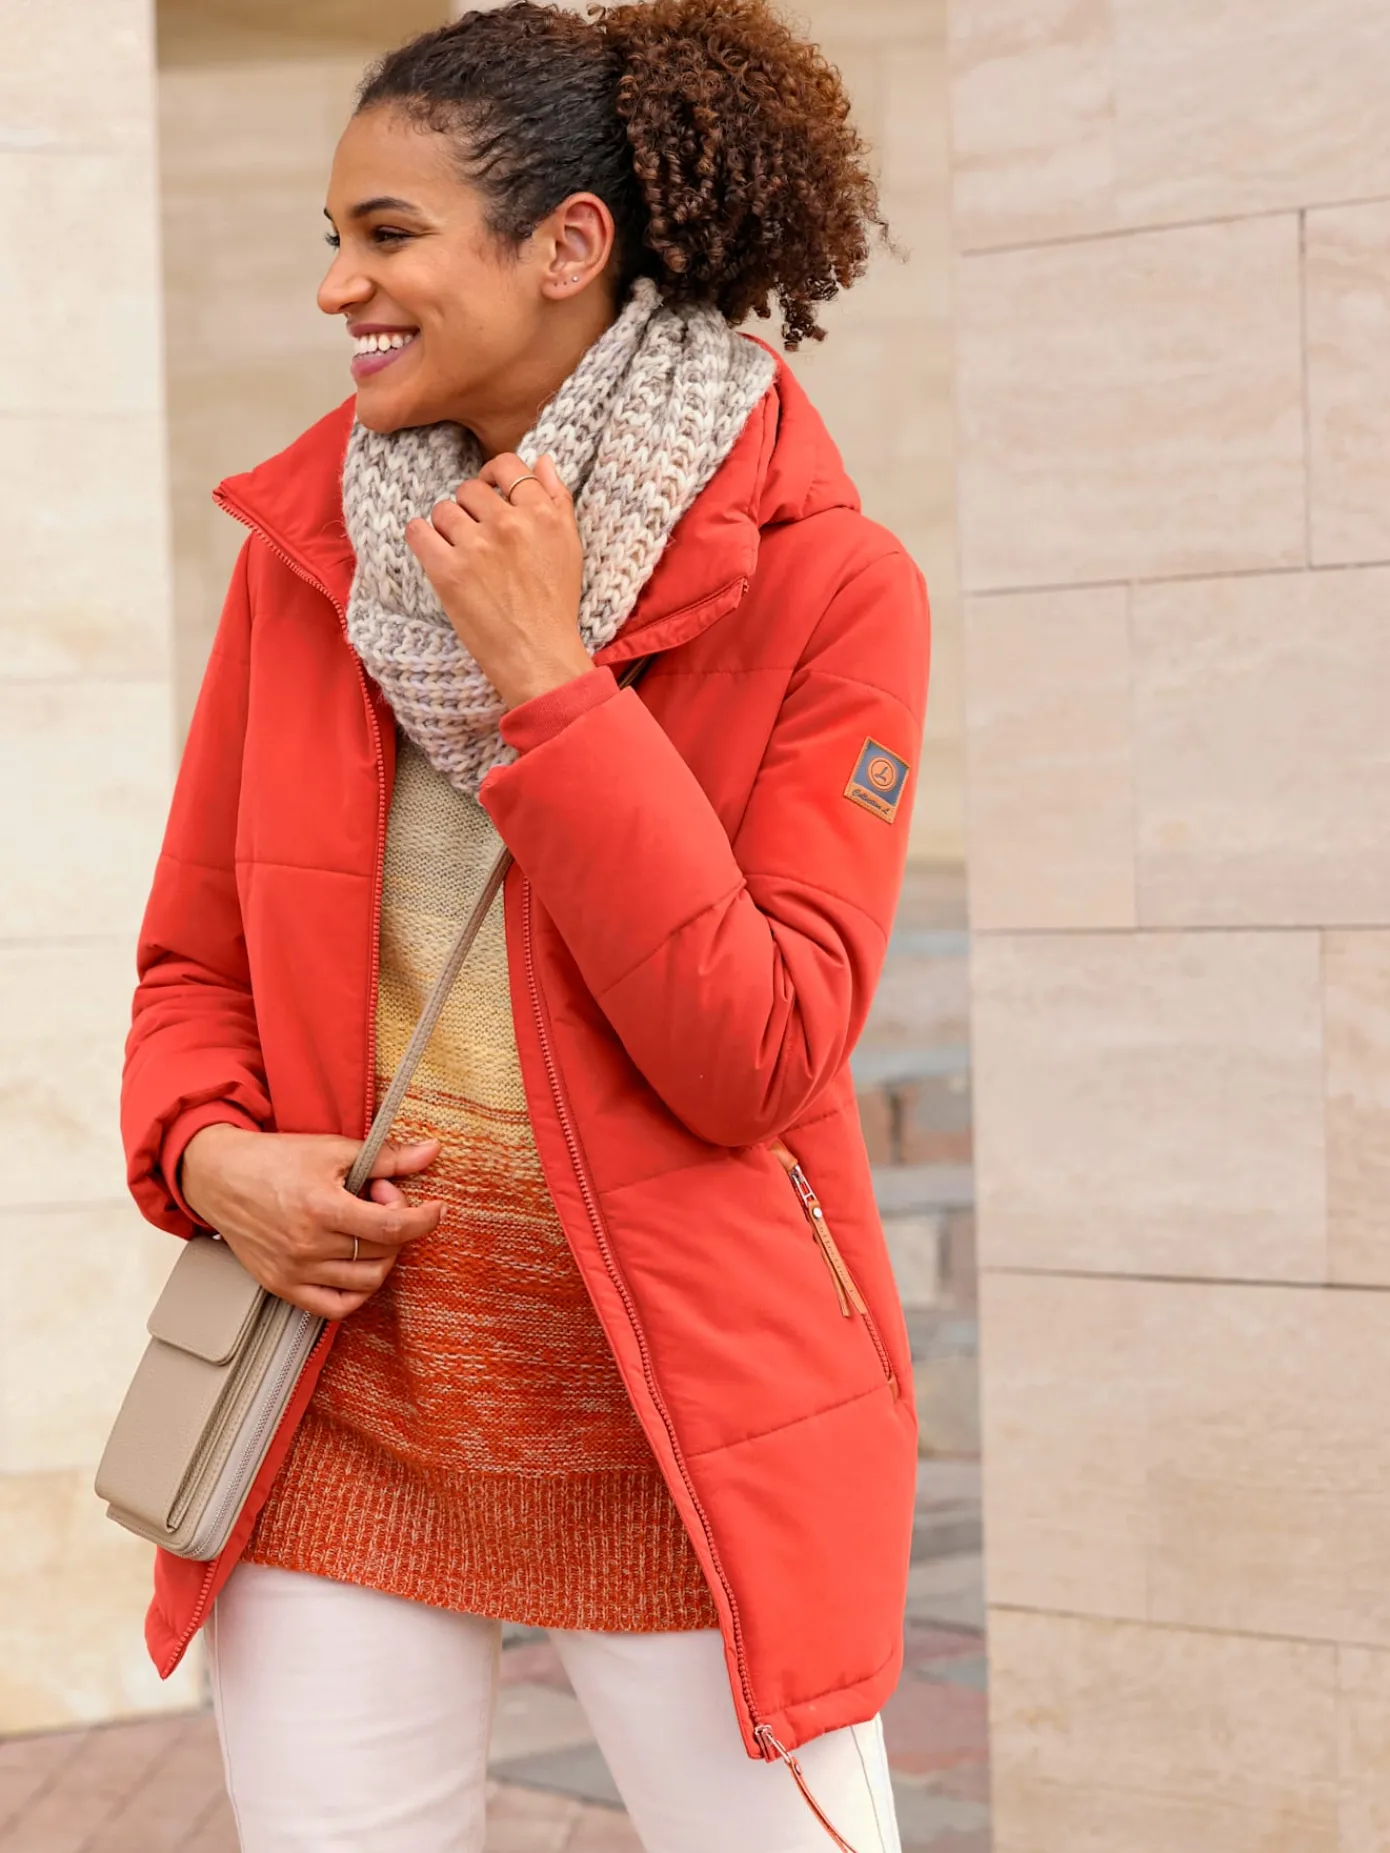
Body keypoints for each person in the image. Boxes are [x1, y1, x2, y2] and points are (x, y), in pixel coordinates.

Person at [122, 2, 929, 1847]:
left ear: (568, 245)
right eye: (333, 237)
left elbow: (758, 1053)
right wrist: (210, 1153)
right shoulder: (307, 558)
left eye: (387, 234)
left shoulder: (828, 586)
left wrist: (549, 682)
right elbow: (193, 964)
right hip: (340, 1420)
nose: (338, 286)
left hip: (687, 1448)